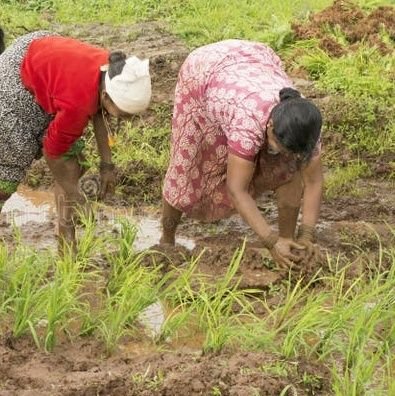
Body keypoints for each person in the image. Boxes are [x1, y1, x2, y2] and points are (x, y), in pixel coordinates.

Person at [160, 39, 323, 268]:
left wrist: (306, 236)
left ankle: (289, 240)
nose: (287, 155)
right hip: (204, 72)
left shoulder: (306, 122)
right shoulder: (248, 122)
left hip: (252, 62)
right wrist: (269, 240)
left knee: (289, 169)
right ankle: (166, 240)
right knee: (187, 165)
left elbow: (313, 181)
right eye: (282, 148)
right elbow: (237, 190)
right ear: (270, 129)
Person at [0, 27, 151, 250]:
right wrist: (76, 195)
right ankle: (67, 241)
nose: (127, 120)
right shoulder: (77, 104)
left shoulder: (111, 69)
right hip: (15, 83)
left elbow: (99, 112)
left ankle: (66, 240)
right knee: (8, 174)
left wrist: (106, 165)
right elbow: (53, 152)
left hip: (45, 64)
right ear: (105, 96)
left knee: (75, 165)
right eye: (125, 114)